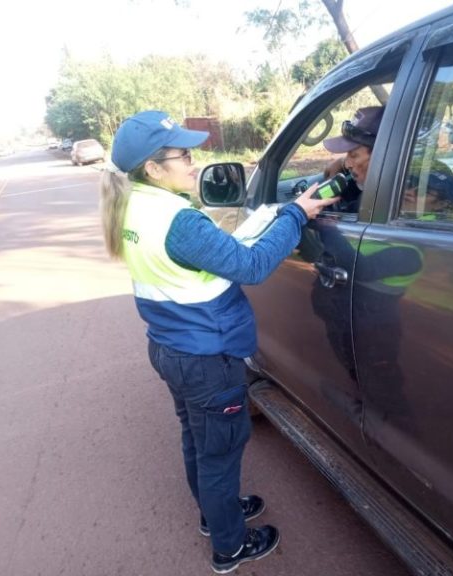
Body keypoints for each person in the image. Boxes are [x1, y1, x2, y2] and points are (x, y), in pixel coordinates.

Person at [99, 110, 337, 574]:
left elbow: (201, 260)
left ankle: (215, 514)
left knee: (197, 439)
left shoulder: (132, 206)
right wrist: (295, 213)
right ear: (153, 167)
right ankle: (229, 546)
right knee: (220, 454)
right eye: (184, 155)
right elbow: (251, 268)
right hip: (207, 356)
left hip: (171, 349)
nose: (193, 163)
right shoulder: (178, 220)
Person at [321, 105, 385, 212]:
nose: (347, 164)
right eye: (347, 154)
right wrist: (340, 162)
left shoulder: (370, 206)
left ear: (379, 155)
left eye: (354, 155)